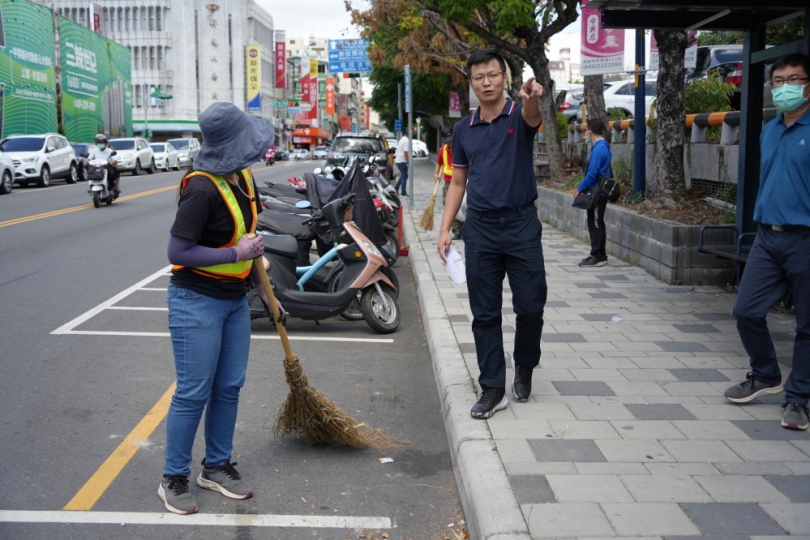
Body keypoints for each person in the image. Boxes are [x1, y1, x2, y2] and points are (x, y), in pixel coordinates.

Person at [160, 102, 278, 515]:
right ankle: (173, 478)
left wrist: (261, 280)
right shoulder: (201, 188)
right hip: (196, 301)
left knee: (229, 387)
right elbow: (178, 250)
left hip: (233, 300)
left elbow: (249, 235)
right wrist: (234, 253)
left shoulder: (243, 176)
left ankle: (216, 466)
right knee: (193, 392)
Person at [438, 47, 546, 419]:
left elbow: (534, 116)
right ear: (472, 83)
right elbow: (457, 182)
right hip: (480, 227)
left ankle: (526, 364)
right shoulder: (463, 129)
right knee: (484, 313)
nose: (487, 82)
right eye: (479, 77)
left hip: (521, 224)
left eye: (493, 75)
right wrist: (445, 227)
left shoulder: (519, 114)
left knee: (531, 306)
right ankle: (492, 388)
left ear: (505, 78)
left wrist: (531, 98)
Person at [723, 53, 810, 431]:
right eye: (778, 81)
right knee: (745, 311)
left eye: (793, 79)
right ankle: (766, 375)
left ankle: (799, 399)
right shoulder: (770, 129)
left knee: (806, 326)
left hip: (805, 239)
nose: (785, 87)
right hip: (766, 237)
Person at [573, 118, 612, 267]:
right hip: (599, 191)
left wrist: (579, 188)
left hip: (597, 193)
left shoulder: (599, 148)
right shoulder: (603, 145)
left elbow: (591, 174)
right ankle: (599, 254)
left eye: (586, 130)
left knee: (595, 223)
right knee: (597, 223)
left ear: (590, 131)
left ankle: (598, 256)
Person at [435, 126, 462, 239]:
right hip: (448, 182)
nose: (450, 143)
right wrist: (436, 174)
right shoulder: (443, 150)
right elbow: (439, 163)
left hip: (461, 182)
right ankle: (457, 230)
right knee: (449, 205)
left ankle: (465, 227)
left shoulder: (461, 147)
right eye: (447, 141)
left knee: (463, 206)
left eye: (451, 140)